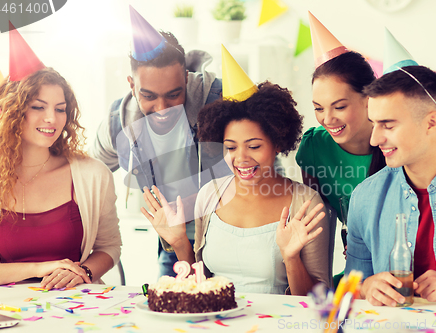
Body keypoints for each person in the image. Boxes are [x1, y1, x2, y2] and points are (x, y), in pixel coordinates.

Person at [140, 47, 333, 295]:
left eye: (253, 146)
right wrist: (180, 244)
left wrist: (291, 258)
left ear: (277, 143)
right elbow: (202, 287)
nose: (240, 158)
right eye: (230, 147)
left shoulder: (306, 202)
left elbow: (318, 300)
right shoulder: (209, 195)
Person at [90, 6, 223, 278]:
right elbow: (85, 176)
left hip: (230, 237)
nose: (162, 108)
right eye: (149, 96)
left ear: (186, 77)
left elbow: (268, 166)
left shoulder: (219, 101)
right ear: (131, 84)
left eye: (174, 94)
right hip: (172, 243)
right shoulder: (119, 123)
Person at [0, 28, 121, 290]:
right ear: (13, 112)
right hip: (6, 314)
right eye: (38, 107)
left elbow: (109, 247)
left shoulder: (93, 175)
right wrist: (42, 268)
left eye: (60, 109)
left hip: (77, 314)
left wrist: (82, 271)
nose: (52, 118)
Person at [345, 63, 436, 305]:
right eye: (373, 124)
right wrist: (365, 287)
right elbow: (351, 287)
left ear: (431, 122)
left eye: (388, 125)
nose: (375, 138)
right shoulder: (365, 197)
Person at [295, 13, 385, 266]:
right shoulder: (314, 147)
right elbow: (317, 223)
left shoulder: (394, 146)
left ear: (369, 98)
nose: (327, 118)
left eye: (339, 106)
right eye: (318, 108)